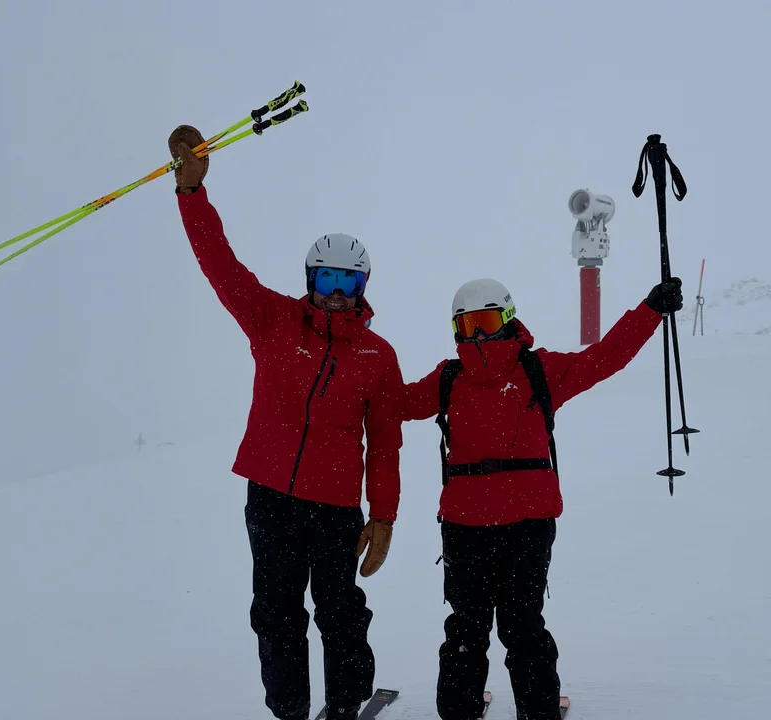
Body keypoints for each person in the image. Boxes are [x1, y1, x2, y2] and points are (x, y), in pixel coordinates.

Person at [168, 125, 405, 720]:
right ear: (310, 279)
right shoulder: (272, 320)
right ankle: (291, 709)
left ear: (362, 288)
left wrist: (384, 518)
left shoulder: (378, 357)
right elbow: (220, 264)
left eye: (347, 282)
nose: (335, 293)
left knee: (341, 610)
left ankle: (346, 704)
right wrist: (192, 194)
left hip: (334, 508)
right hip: (269, 495)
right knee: (274, 610)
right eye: (326, 278)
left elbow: (385, 446)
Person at [401, 276, 684, 720]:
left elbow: (603, 359)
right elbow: (393, 403)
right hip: (465, 526)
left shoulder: (539, 371)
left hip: (526, 527)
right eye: (467, 324)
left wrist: (649, 311)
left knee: (519, 628)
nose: (477, 334)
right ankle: (462, 709)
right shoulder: (448, 378)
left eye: (487, 321)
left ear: (508, 319)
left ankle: (531, 711)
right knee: (467, 630)